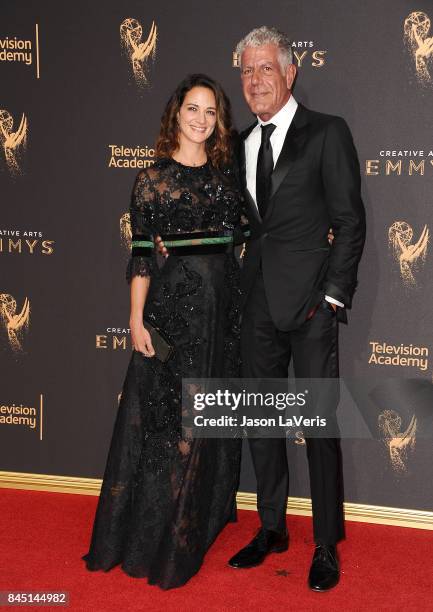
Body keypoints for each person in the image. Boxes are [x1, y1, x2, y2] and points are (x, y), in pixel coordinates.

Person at [82, 74, 243, 590]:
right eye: (193, 109)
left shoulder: (226, 175)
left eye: (211, 112)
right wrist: (135, 319)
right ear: (176, 113)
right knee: (169, 427)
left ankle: (196, 520)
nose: (201, 119)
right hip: (173, 311)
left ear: (219, 120)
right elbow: (143, 256)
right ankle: (157, 535)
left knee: (207, 419)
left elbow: (250, 236)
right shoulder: (150, 179)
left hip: (222, 313)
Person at [227, 26, 366, 592]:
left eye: (266, 69)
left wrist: (332, 298)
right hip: (256, 304)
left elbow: (351, 221)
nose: (255, 80)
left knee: (318, 423)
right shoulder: (237, 143)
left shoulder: (327, 133)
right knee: (261, 421)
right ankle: (272, 528)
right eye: (247, 71)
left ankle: (327, 544)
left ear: (290, 73)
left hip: (312, 306)